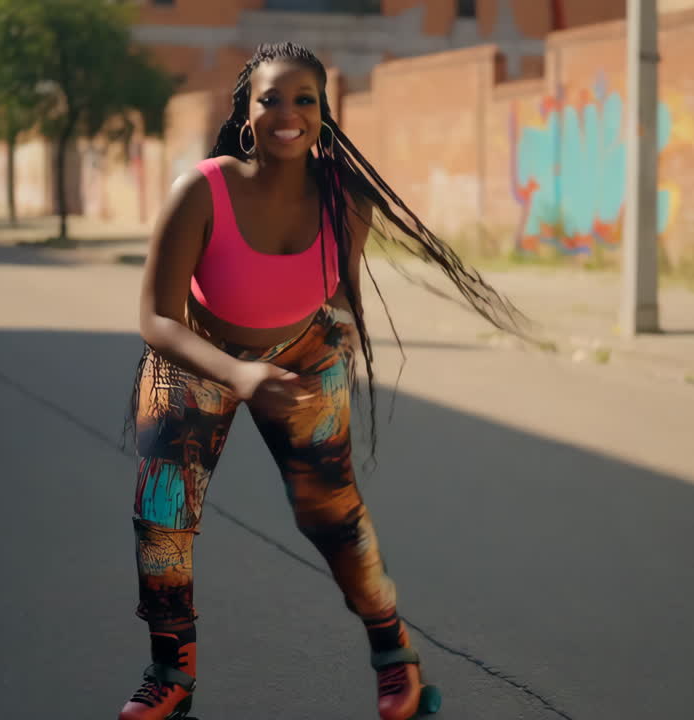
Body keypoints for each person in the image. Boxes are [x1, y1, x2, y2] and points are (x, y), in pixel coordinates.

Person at [119, 42, 526, 720]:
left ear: (323, 113)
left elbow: (342, 290)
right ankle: (172, 671)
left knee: (331, 514)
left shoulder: (346, 198)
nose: (288, 113)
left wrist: (334, 345)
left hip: (304, 352)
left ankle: (396, 656)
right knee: (163, 514)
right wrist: (243, 374)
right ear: (247, 115)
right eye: (271, 99)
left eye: (304, 99)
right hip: (197, 356)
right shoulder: (202, 190)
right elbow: (156, 318)